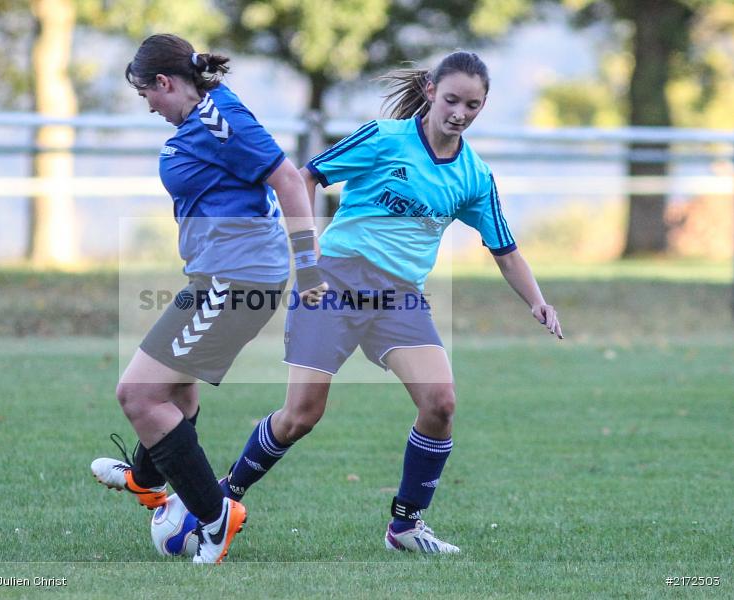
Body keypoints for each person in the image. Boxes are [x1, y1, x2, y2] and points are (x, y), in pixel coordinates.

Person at [218, 51, 563, 554]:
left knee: (440, 404)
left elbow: (505, 250)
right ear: (429, 90)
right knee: (301, 416)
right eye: (452, 100)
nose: (460, 113)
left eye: (473, 105)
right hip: (334, 282)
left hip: (399, 298)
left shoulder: (474, 176)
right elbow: (306, 178)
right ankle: (224, 497)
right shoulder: (383, 138)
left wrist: (538, 301)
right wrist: (305, 250)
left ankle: (405, 525)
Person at [89, 33, 326, 565]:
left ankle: (217, 517)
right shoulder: (202, 117)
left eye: (146, 93)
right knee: (175, 395)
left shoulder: (220, 118)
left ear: (166, 82)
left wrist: (309, 270)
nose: (147, 103)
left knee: (136, 394)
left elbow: (289, 181)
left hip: (237, 282)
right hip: (215, 278)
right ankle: (147, 480)